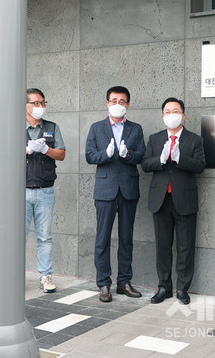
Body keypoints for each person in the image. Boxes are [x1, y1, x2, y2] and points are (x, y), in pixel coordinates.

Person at [141, 97, 205, 305]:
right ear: (162, 116)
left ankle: (183, 289)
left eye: (175, 111)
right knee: (163, 246)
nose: (171, 115)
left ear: (183, 115)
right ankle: (164, 287)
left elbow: (200, 166)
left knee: (185, 247)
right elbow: (145, 164)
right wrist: (160, 160)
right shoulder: (155, 138)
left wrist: (180, 159)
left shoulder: (194, 140)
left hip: (184, 199)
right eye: (167, 112)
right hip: (160, 200)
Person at [85, 86, 145, 303]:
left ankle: (124, 282)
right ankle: (103, 283)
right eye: (114, 100)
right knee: (102, 239)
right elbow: (89, 156)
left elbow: (141, 155)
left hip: (128, 189)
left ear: (128, 104)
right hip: (105, 190)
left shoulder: (135, 129)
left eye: (122, 101)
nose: (118, 104)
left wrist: (128, 154)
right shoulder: (96, 127)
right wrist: (106, 154)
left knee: (126, 238)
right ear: (107, 103)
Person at [25, 88, 66, 293]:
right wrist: (26, 150)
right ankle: (14, 275)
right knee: (18, 236)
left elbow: (61, 154)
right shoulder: (14, 126)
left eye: (42, 103)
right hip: (20, 191)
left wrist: (45, 149)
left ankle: (45, 275)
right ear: (25, 105)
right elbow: (3, 154)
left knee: (44, 237)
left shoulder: (52, 127)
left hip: (45, 190)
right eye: (36, 103)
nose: (40, 106)